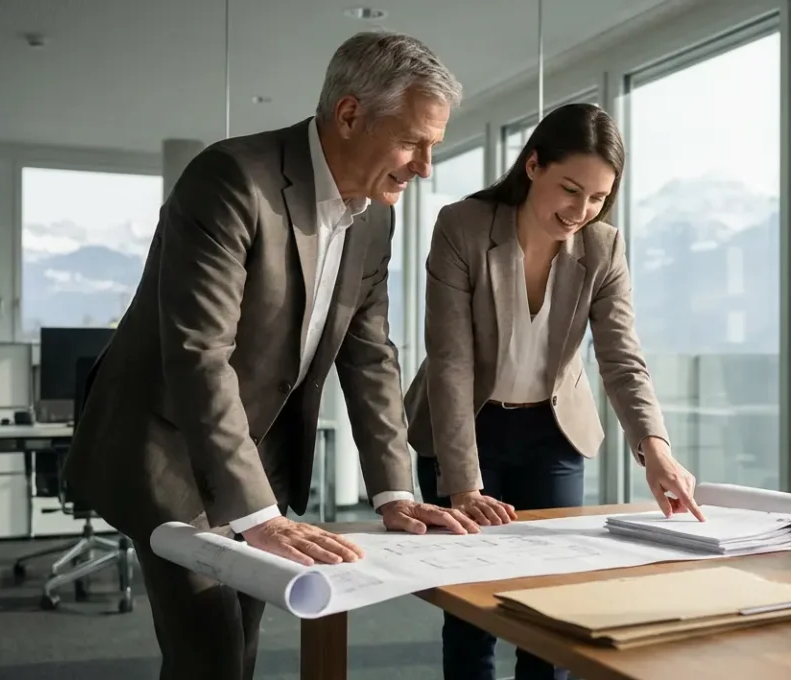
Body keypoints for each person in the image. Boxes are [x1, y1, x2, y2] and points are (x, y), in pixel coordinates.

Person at [62, 31, 479, 680]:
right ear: (348, 115)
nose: (425, 166)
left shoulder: (375, 217)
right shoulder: (232, 178)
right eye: (412, 141)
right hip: (165, 445)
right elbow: (200, 352)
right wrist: (256, 516)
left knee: (242, 640)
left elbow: (370, 359)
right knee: (211, 651)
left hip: (257, 454)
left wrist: (394, 489)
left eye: (434, 146)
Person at [404, 102, 706, 680]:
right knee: (471, 611)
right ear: (534, 165)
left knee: (553, 607)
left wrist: (656, 448)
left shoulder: (602, 246)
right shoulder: (462, 227)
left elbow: (621, 358)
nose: (581, 211)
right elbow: (451, 363)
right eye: (571, 189)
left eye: (597, 199)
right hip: (466, 428)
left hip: (553, 433)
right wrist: (464, 485)